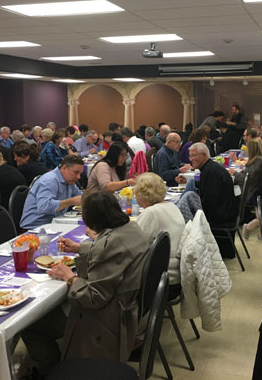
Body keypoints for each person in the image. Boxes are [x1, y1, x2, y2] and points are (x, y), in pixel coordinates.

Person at [21, 191, 149, 375]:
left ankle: (54, 370)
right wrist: (79, 247)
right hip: (125, 306)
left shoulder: (109, 244)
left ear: (92, 221)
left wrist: (69, 276)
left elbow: (93, 298)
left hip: (104, 319)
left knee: (32, 324)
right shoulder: (131, 228)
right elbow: (117, 252)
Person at [179, 142, 237, 258]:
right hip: (226, 211)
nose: (191, 159)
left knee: (184, 219)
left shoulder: (211, 172)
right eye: (190, 156)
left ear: (204, 155)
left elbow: (209, 202)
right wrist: (192, 182)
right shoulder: (210, 168)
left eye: (194, 156)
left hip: (221, 217)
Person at [135, 172, 185, 297]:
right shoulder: (172, 206)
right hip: (176, 274)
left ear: (141, 195)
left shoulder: (151, 213)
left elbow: (134, 247)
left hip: (160, 280)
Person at [19, 155, 83, 229]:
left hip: (55, 222)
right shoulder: (49, 180)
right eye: (76, 172)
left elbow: (79, 195)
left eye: (80, 173)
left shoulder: (69, 181)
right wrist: (71, 201)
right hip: (35, 227)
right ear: (64, 168)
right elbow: (44, 206)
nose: (79, 177)